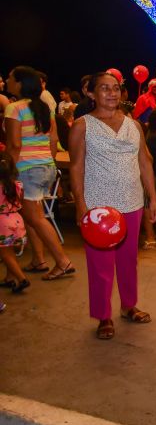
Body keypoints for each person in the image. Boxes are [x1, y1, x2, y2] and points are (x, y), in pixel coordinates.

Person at [69, 71, 156, 340]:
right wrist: (80, 205)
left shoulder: (133, 125)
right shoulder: (82, 125)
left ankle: (129, 306)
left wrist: (151, 198)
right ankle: (103, 315)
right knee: (100, 265)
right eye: (104, 88)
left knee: (128, 260)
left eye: (116, 88)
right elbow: (76, 167)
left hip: (131, 202)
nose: (112, 93)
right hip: (99, 208)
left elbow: (145, 161)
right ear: (91, 93)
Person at [4, 66, 75, 281]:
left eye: (10, 78)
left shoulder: (14, 108)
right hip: (45, 167)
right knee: (32, 215)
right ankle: (38, 259)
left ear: (20, 83)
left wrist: (8, 172)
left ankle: (62, 262)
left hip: (25, 168)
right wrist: (48, 163)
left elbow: (14, 144)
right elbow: (53, 141)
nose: (7, 81)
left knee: (35, 217)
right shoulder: (44, 108)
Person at [0, 151, 29, 294]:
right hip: (17, 220)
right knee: (9, 251)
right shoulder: (17, 185)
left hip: (2, 223)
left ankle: (22, 278)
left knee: (6, 255)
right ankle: (9, 278)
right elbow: (20, 202)